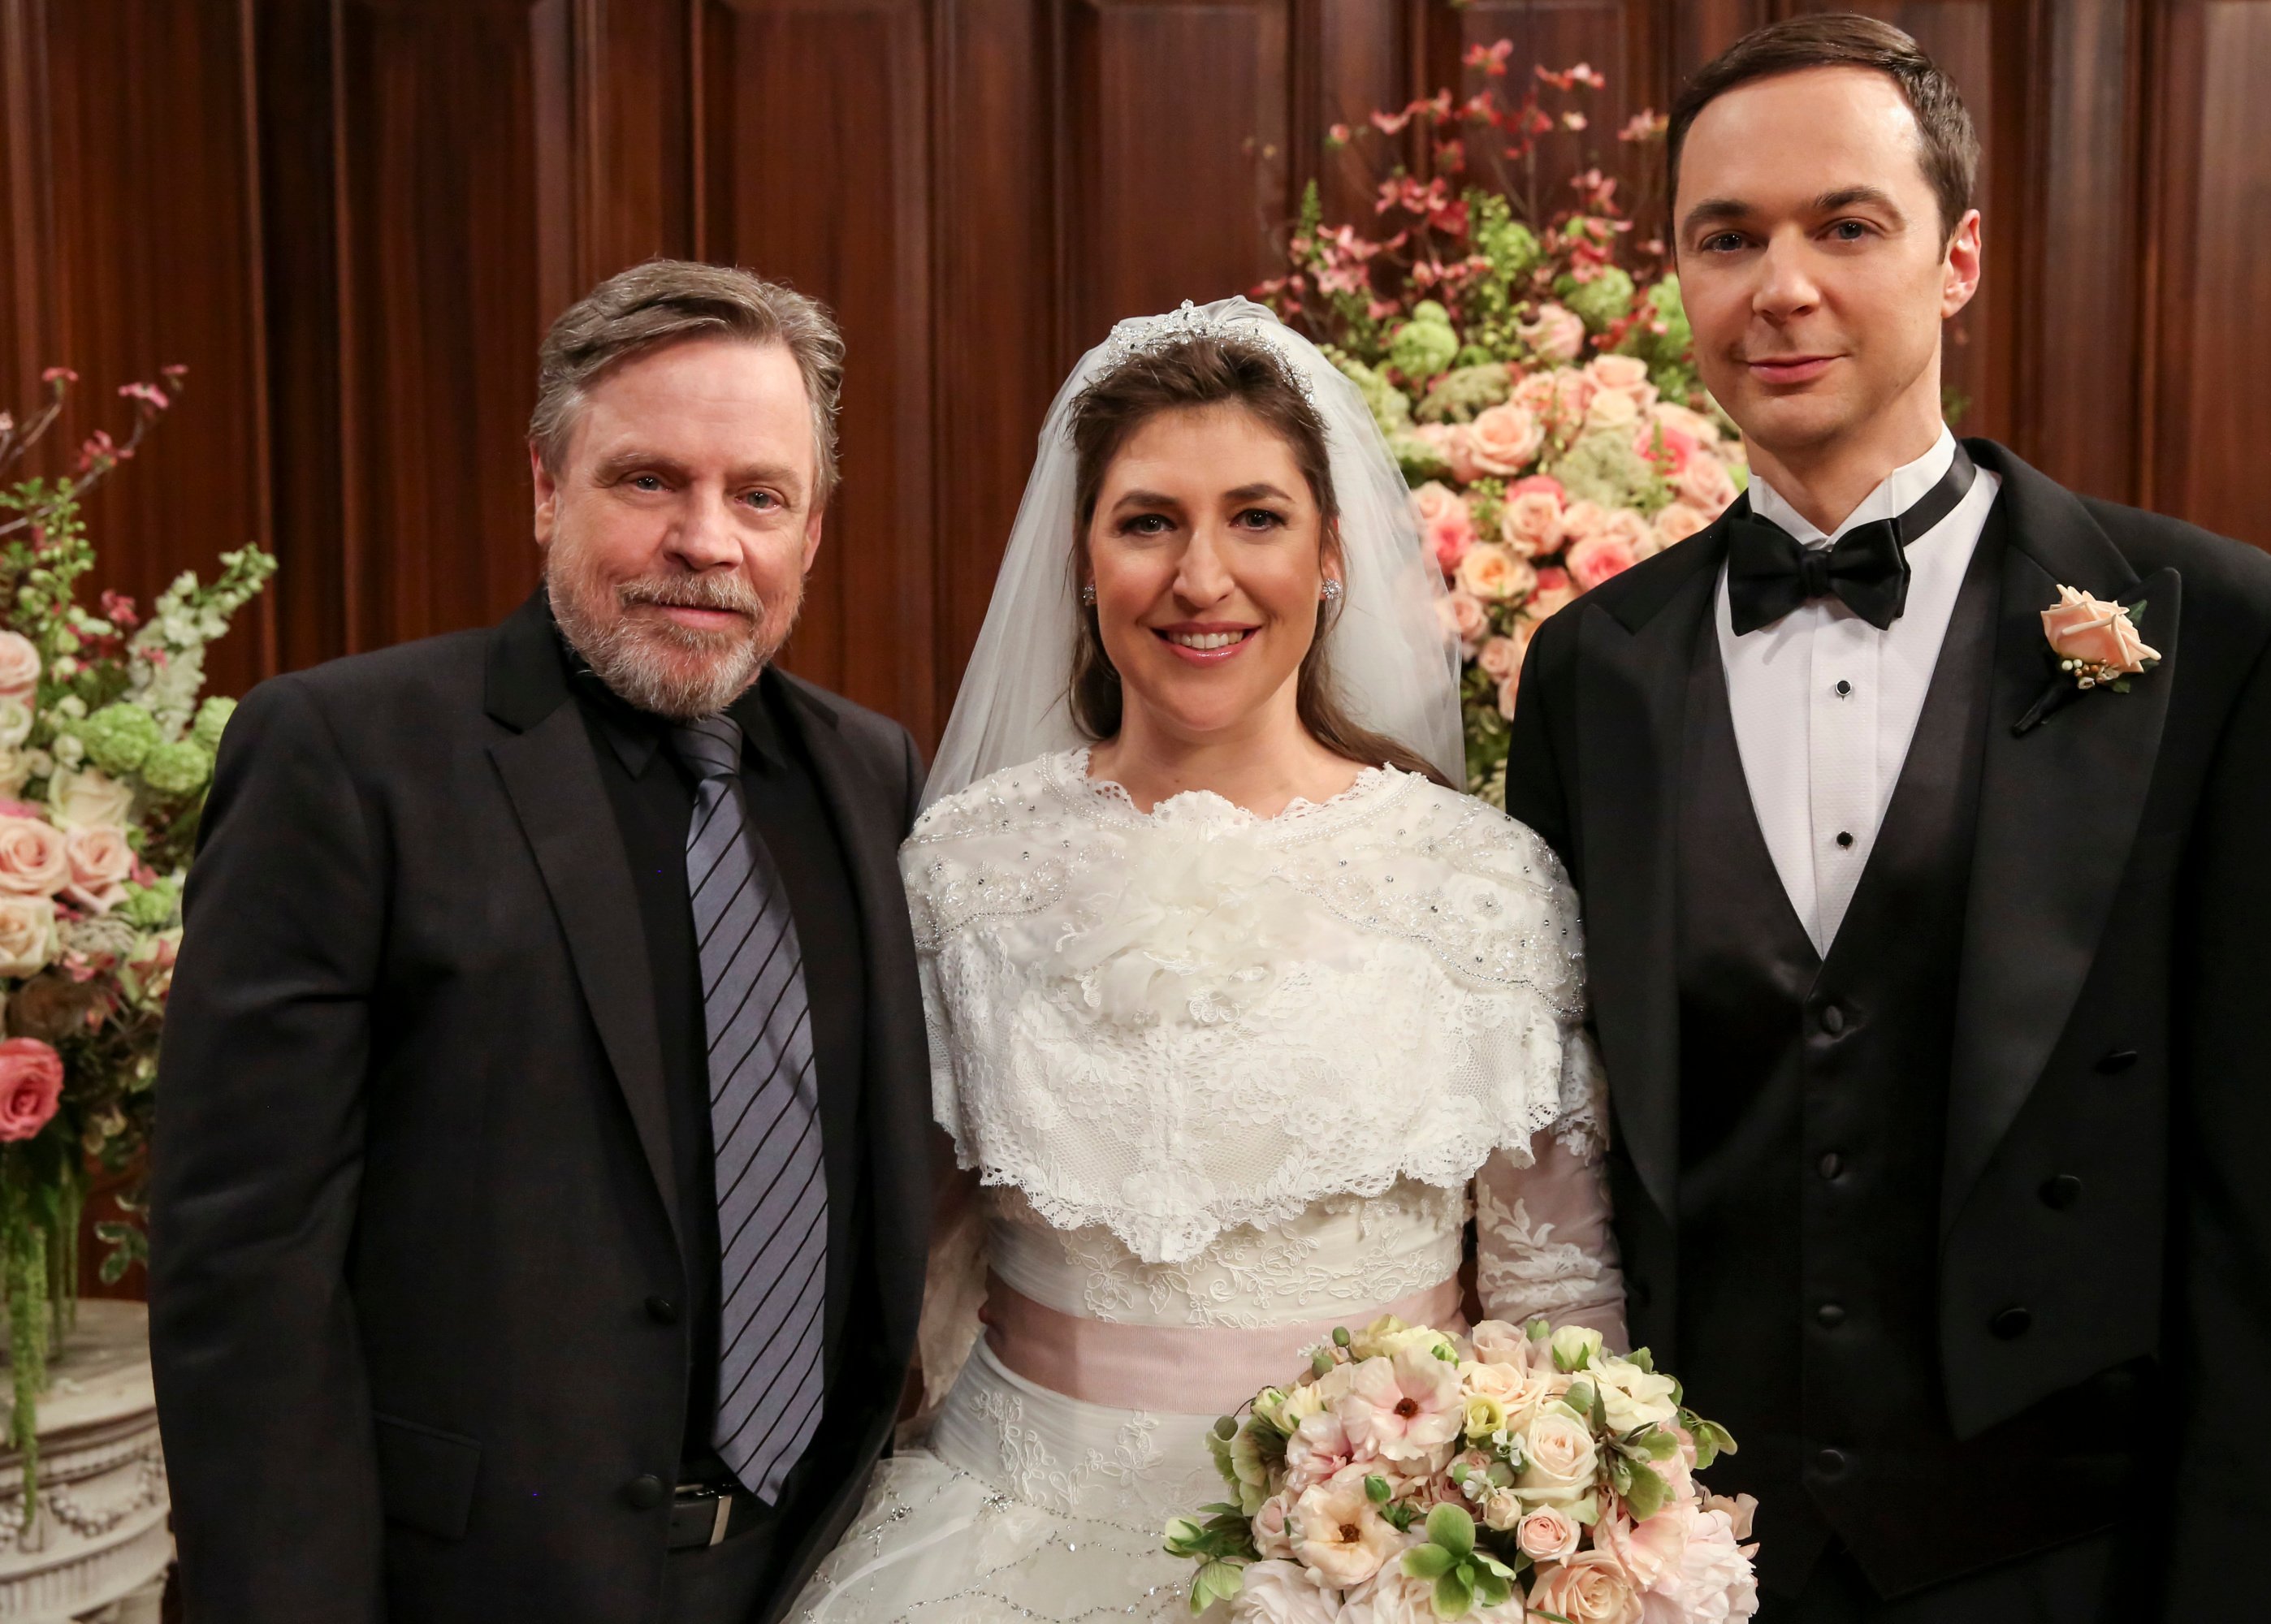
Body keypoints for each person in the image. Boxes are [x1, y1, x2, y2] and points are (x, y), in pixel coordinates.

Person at [1506, 15, 2271, 1622]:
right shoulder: (1589, 674)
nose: (1783, 285)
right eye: (1728, 237)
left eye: (1846, 225)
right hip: (1686, 1566)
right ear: (1678, 279)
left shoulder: (2228, 640)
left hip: (2061, 1569)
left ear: (1957, 256)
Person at [788, 298, 1627, 1620]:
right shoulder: (960, 874)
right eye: (1147, 522)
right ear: (1082, 557)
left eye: (1256, 517)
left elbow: (1557, 1292)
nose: (1201, 578)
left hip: (1387, 1579)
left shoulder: (1479, 881)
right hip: (1002, 1550)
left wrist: (1567, 1535)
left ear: (1331, 550)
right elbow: (899, 1267)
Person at [149, 261, 932, 1623]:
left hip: (814, 1571)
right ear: (543, 488)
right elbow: (244, 1268)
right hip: (470, 1584)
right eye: (649, 482)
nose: (708, 539)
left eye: (760, 495)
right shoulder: (345, 755)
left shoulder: (872, 779)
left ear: (811, 530)